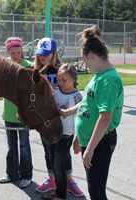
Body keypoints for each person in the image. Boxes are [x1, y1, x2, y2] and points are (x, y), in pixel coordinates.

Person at [60, 27, 124, 200]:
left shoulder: (108, 81)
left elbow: (105, 118)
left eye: (85, 61)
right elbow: (87, 105)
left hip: (100, 143)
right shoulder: (99, 76)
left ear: (92, 56)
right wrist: (78, 135)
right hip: (91, 141)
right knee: (93, 188)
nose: (85, 65)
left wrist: (90, 149)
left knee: (96, 192)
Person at [34, 38, 83, 197]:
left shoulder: (61, 70)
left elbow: (79, 104)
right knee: (49, 153)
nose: (43, 57)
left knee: (62, 157)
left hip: (64, 127)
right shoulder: (36, 71)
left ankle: (68, 181)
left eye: (47, 54)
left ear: (54, 54)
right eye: (41, 54)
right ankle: (53, 180)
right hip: (46, 122)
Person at [42, 63, 83, 200]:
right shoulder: (55, 91)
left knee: (59, 164)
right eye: (58, 80)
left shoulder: (77, 96)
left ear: (74, 79)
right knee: (54, 162)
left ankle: (61, 194)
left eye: (64, 80)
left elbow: (82, 114)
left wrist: (78, 138)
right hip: (52, 132)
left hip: (66, 135)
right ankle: (58, 190)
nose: (60, 83)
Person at [0, 37, 33, 188]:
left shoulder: (29, 66)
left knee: (24, 147)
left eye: (18, 52)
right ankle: (11, 174)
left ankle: (26, 175)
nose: (16, 56)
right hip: (8, 114)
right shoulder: (4, 66)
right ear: (8, 52)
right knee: (11, 146)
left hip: (23, 115)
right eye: (13, 53)